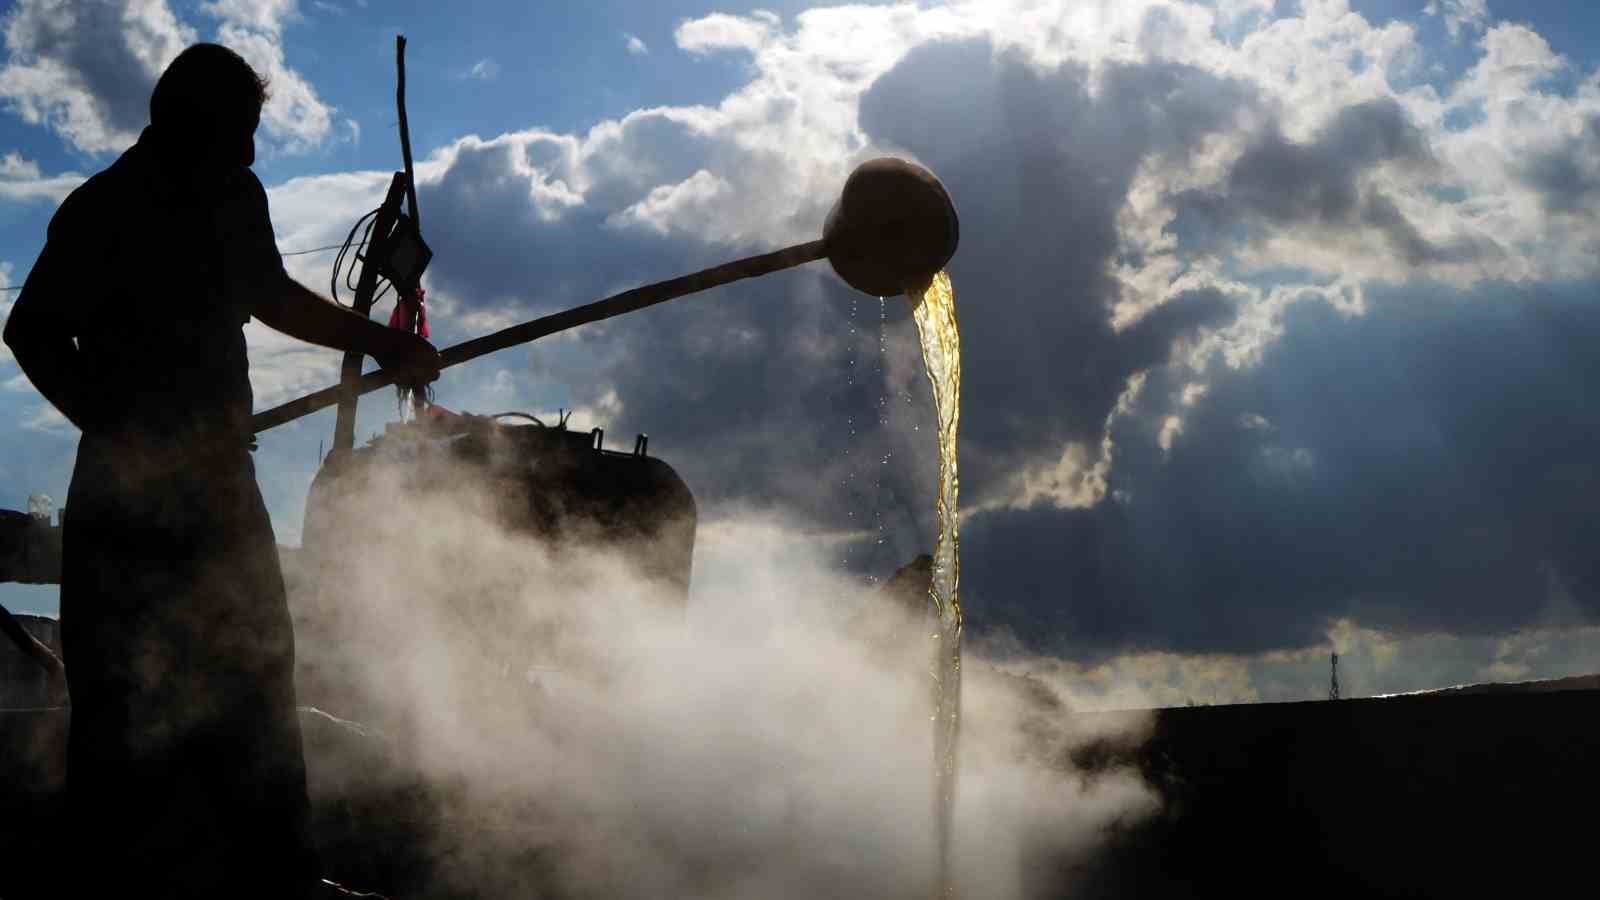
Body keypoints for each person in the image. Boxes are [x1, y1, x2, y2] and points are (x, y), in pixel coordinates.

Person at [2, 44, 440, 899]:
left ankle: (284, 875)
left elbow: (270, 293)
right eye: (239, 132)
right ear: (185, 124)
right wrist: (124, 430)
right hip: (126, 497)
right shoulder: (103, 209)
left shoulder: (235, 195)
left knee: (256, 670)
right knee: (118, 700)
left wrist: (381, 340)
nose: (249, 152)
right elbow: (33, 333)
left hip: (220, 483)